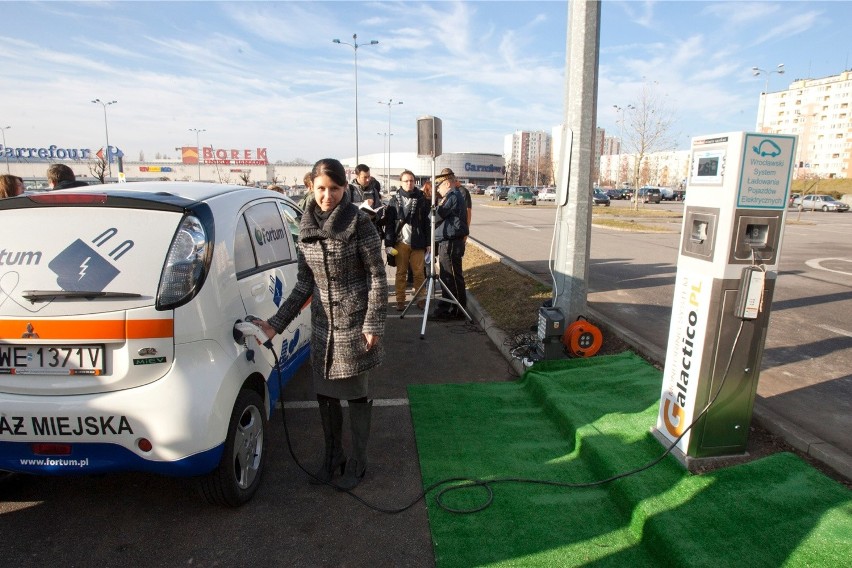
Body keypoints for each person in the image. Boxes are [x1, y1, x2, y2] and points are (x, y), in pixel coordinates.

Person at [256, 158, 387, 490]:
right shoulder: (306, 226)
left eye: (334, 189)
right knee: (325, 396)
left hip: (354, 324)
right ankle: (333, 458)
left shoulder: (360, 224)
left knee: (356, 395)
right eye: (321, 189)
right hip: (322, 329)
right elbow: (304, 284)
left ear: (345, 188)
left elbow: (377, 277)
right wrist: (275, 325)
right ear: (311, 188)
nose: (327, 196)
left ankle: (358, 462)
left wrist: (372, 323)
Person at [383, 169, 430, 311]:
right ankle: (400, 300)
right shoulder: (394, 200)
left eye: (411, 181)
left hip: (418, 243)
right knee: (401, 273)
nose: (409, 183)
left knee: (419, 273)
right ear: (401, 182)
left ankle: (421, 298)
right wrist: (388, 244)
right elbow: (390, 225)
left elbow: (427, 223)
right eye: (406, 181)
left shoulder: (422, 199)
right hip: (400, 243)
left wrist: (428, 243)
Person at [431, 168, 469, 320]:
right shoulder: (452, 195)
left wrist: (433, 205)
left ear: (447, 183)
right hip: (448, 241)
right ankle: (453, 308)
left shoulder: (451, 196)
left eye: (438, 186)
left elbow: (435, 216)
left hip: (450, 243)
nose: (437, 189)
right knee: (450, 276)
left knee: (450, 277)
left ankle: (453, 309)